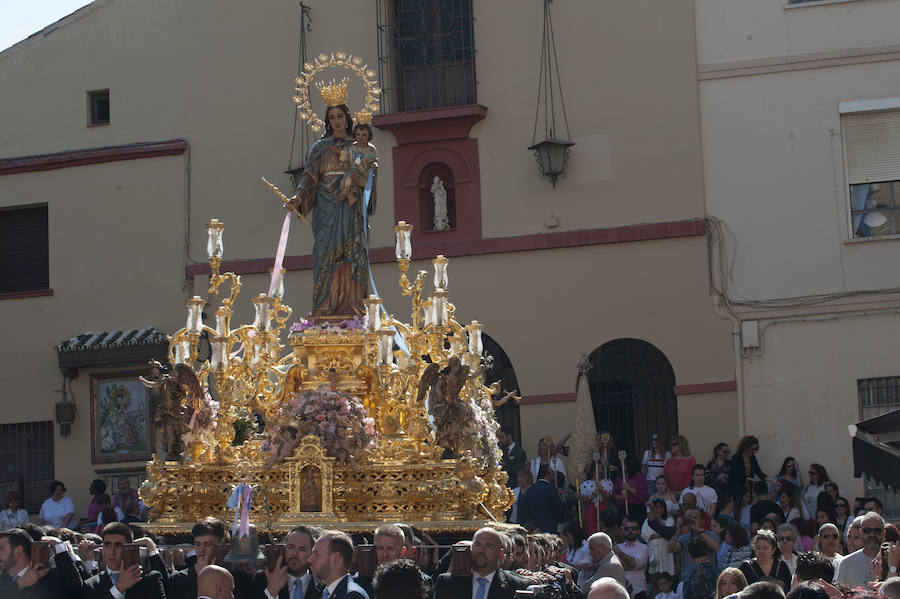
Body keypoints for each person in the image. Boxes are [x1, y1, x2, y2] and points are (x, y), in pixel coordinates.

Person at [288, 99, 371, 317]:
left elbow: (369, 176)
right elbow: (309, 178)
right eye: (332, 117)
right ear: (327, 121)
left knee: (352, 252)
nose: (336, 121)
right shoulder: (320, 148)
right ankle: (324, 306)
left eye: (340, 116)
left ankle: (354, 306)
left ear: (347, 118)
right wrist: (298, 197)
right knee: (324, 252)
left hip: (351, 209)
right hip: (326, 209)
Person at [79, 522, 166, 599]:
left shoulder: (150, 580)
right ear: (102, 548)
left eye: (118, 545)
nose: (112, 552)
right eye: (108, 545)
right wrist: (119, 588)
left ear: (129, 548)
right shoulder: (91, 585)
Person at [434, 527, 528, 599]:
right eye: (477, 544)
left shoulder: (516, 586)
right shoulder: (448, 583)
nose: (481, 550)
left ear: (500, 554)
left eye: (488, 546)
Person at [252, 524, 322, 599]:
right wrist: (271, 591)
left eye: (302, 549)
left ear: (312, 554)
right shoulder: (263, 579)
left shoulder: (322, 585)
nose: (295, 553)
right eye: (291, 547)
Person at [166, 517, 227, 599]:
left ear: (220, 544)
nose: (201, 550)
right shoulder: (179, 579)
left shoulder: (233, 576)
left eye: (208, 544)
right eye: (198, 544)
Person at [0, 527, 65, 598]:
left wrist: (59, 546)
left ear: (18, 551)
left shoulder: (48, 579)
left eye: (1, 549)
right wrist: (21, 583)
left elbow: (75, 587)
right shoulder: (3, 580)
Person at [307, 530, 369, 599]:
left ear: (335, 558)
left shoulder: (351, 595)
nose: (310, 560)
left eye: (317, 554)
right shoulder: (327, 593)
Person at [663, 508, 719, 583]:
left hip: (706, 580)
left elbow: (716, 548)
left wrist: (699, 531)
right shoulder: (685, 538)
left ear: (702, 521)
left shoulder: (710, 535)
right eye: (689, 519)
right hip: (687, 580)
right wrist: (677, 533)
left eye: (695, 518)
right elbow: (670, 549)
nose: (692, 521)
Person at [518, 464, 577, 534]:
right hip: (549, 528)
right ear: (547, 475)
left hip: (534, 529)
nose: (553, 476)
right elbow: (561, 506)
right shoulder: (550, 489)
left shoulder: (530, 490)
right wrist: (574, 498)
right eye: (552, 474)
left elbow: (525, 510)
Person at [835, 511, 884, 587]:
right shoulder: (847, 563)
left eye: (877, 531)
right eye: (867, 531)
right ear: (861, 533)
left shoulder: (894, 561)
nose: (872, 534)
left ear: (884, 533)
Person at [614, 517, 649, 599]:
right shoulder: (618, 547)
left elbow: (635, 564)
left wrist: (619, 553)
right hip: (621, 592)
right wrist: (630, 566)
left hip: (638, 591)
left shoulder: (643, 548)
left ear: (639, 531)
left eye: (633, 529)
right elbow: (614, 567)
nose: (630, 531)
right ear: (623, 531)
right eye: (627, 529)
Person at [643, 498, 676, 579]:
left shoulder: (670, 520)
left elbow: (668, 532)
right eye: (656, 507)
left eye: (660, 507)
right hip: (653, 554)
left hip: (666, 554)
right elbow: (646, 536)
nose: (658, 510)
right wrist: (661, 533)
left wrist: (659, 532)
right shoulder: (647, 521)